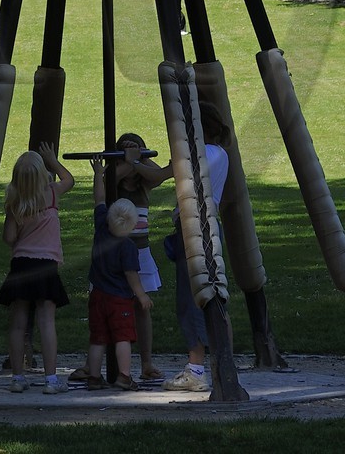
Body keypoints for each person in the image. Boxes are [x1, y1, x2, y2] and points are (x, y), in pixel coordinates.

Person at [0, 143, 75, 394]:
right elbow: (69, 180)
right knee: (46, 322)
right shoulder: (51, 194)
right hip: (46, 266)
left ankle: (17, 377)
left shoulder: (15, 202)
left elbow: (9, 238)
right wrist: (53, 161)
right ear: (42, 175)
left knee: (18, 323)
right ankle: (51, 380)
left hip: (21, 265)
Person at [164, 110, 233, 393]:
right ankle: (223, 363)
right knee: (213, 293)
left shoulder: (200, 152)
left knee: (190, 298)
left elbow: (162, 175)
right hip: (209, 227)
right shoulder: (221, 154)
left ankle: (195, 369)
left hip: (193, 227)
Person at [81, 160, 150, 392]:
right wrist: (141, 296)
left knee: (97, 338)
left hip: (97, 295)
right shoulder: (128, 246)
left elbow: (99, 199)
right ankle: (124, 375)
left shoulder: (102, 227)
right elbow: (131, 275)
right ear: (132, 225)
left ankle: (93, 376)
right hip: (119, 298)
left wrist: (99, 174)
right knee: (122, 337)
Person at [111, 132, 170, 380]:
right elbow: (107, 176)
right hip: (114, 255)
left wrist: (137, 160)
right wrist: (126, 161)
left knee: (142, 308)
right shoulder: (112, 184)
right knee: (110, 305)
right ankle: (108, 362)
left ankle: (146, 362)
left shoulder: (145, 183)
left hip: (140, 253)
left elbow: (164, 174)